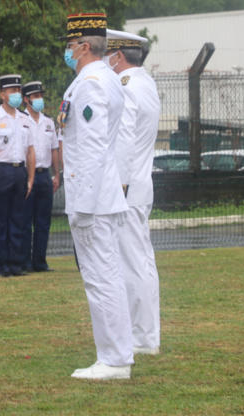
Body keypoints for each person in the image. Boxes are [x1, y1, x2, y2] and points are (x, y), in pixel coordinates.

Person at [59, 13, 133, 380]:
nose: (67, 51)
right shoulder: (106, 78)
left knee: (101, 279)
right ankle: (116, 355)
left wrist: (83, 207)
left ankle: (114, 360)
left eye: (70, 45)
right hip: (102, 195)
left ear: (85, 47)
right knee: (107, 277)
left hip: (93, 200)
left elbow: (90, 148)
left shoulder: (90, 84)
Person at [106, 29, 162, 355]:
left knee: (131, 264)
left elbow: (123, 141)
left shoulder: (126, 87)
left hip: (127, 187)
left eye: (107, 55)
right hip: (140, 185)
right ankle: (147, 334)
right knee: (142, 262)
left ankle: (141, 338)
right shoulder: (146, 83)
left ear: (118, 56)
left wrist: (119, 188)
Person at [0, 75, 35, 277]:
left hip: (19, 171)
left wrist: (30, 178)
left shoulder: (25, 119)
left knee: (18, 219)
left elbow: (30, 151)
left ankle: (16, 265)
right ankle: (2, 266)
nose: (17, 94)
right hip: (0, 170)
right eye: (13, 91)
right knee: (0, 220)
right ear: (3, 94)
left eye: (18, 90)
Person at [22, 81, 61, 273]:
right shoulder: (21, 120)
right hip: (26, 175)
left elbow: (54, 150)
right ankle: (25, 261)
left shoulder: (48, 122)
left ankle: (40, 261)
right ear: (26, 99)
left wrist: (57, 175)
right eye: (35, 96)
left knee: (43, 222)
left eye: (40, 96)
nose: (39, 99)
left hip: (44, 175)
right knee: (25, 220)